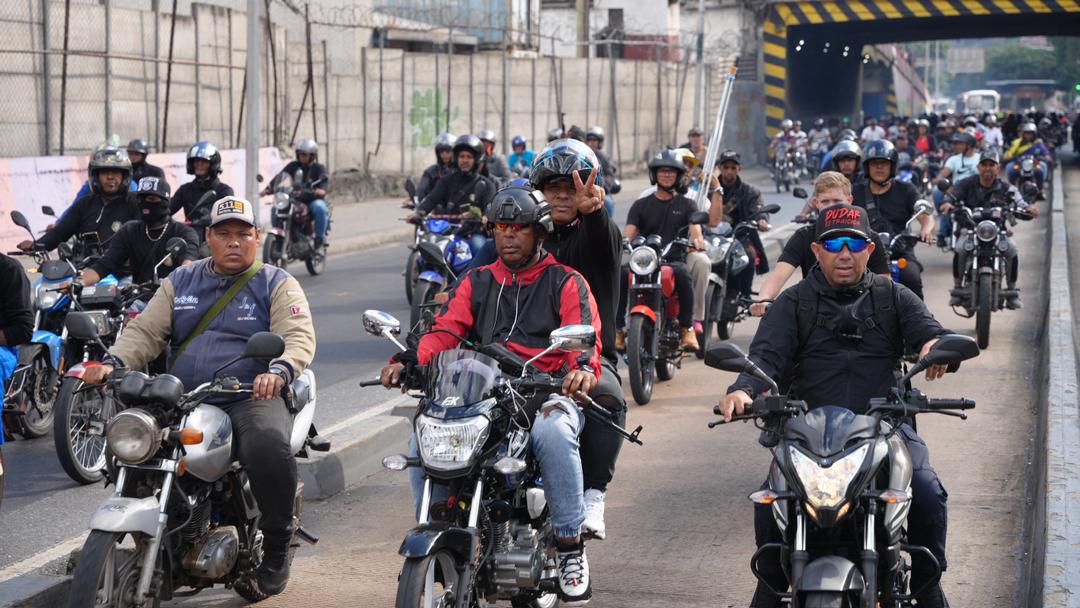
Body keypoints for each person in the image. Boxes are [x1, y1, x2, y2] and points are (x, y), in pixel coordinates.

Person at [718, 203, 954, 608]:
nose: (844, 253)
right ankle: (771, 583)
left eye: (854, 244)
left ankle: (928, 584)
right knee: (770, 499)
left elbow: (930, 332)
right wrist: (742, 391)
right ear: (816, 251)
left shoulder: (893, 297)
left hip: (885, 429)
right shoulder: (793, 303)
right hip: (807, 432)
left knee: (927, 491)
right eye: (833, 244)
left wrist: (935, 347)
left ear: (869, 249)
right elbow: (765, 358)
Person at [81, 196, 316, 597]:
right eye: (223, 234)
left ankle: (277, 545)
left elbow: (297, 337)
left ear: (257, 237)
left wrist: (278, 370)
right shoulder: (181, 280)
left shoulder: (277, 283)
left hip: (247, 394)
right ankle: (147, 534)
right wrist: (113, 362)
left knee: (265, 445)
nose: (233, 241)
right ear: (208, 237)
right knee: (133, 444)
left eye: (243, 233)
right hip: (183, 395)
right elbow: (145, 331)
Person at [381, 186, 602, 603]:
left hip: (543, 390)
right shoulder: (477, 281)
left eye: (519, 227)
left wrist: (581, 370)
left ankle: (570, 545)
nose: (509, 235)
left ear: (540, 233)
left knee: (554, 432)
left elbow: (585, 338)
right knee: (422, 437)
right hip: (485, 393)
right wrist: (407, 362)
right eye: (501, 227)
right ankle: (441, 525)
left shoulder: (565, 281)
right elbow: (444, 330)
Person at [529, 138, 626, 541]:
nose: (562, 196)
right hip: (524, 356)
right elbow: (481, 278)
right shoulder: (527, 236)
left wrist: (595, 213)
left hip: (586, 356)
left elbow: (604, 240)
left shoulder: (597, 235)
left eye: (571, 188)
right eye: (553, 188)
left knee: (607, 397)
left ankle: (593, 494)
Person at [751, 171, 889, 317]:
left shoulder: (869, 237)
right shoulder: (803, 236)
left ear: (849, 200)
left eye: (837, 201)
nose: (831, 207)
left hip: (862, 313)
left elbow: (884, 283)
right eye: (825, 202)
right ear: (816, 203)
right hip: (814, 313)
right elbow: (779, 275)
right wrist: (763, 300)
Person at [619, 149, 705, 352]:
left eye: (671, 171)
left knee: (683, 273)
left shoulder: (687, 204)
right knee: (622, 273)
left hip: (672, 259)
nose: (666, 175)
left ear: (679, 175)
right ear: (654, 174)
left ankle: (687, 327)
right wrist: (621, 242)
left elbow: (695, 229)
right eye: (662, 171)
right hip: (645, 260)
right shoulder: (641, 205)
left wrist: (698, 240)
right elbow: (628, 234)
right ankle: (617, 329)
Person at [944, 150, 1038, 310]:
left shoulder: (1007, 188)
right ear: (978, 167)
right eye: (984, 164)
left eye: (991, 165)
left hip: (998, 232)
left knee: (1012, 249)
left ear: (998, 168)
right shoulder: (966, 183)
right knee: (960, 248)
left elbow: (1020, 203)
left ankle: (1011, 292)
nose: (987, 168)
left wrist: (1028, 209)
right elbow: (952, 195)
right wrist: (948, 203)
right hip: (970, 230)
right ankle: (957, 288)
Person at [852, 140, 934, 300]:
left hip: (899, 250)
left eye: (884, 163)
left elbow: (925, 214)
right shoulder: (855, 192)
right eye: (874, 163)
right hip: (863, 252)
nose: (879, 167)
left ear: (892, 166)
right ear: (867, 167)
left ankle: (917, 315)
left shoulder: (906, 189)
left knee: (911, 277)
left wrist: (926, 229)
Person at [81, 177, 200, 286]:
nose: (145, 204)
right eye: (140, 199)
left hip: (173, 296)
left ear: (165, 201)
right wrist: (78, 283)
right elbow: (105, 265)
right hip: (138, 297)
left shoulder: (184, 233)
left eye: (151, 199)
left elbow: (188, 266)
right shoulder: (129, 230)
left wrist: (176, 285)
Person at [19, 147, 139, 255]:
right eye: (104, 172)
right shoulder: (85, 204)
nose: (110, 177)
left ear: (125, 176)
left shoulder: (135, 203)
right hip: (85, 266)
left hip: (123, 268)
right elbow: (60, 233)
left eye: (116, 172)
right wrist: (36, 245)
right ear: (95, 176)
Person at [412, 134, 498, 257]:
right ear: (456, 158)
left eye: (469, 157)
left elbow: (490, 207)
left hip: (472, 233)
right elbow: (431, 199)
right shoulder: (446, 181)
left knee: (480, 248)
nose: (465, 160)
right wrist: (418, 212)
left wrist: (485, 217)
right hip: (446, 231)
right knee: (425, 250)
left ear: (476, 159)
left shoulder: (487, 185)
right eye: (462, 156)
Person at [709, 150, 771, 303]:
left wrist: (761, 220)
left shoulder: (749, 191)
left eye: (733, 167)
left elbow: (758, 209)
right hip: (711, 237)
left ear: (739, 169)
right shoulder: (709, 189)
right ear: (719, 168)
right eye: (726, 167)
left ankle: (744, 294)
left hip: (740, 236)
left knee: (748, 256)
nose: (729, 171)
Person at [261, 138, 331, 249]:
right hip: (295, 199)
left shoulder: (319, 168)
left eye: (305, 154)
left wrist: (321, 190)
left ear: (312, 156)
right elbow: (281, 175)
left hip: (311, 199)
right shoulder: (293, 166)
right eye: (300, 154)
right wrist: (269, 189)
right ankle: (279, 237)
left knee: (320, 207)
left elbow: (324, 181)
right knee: (276, 209)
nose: (302, 156)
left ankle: (319, 239)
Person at [170, 141, 235, 242]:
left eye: (204, 162)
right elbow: (168, 209)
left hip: (215, 239)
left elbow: (227, 216)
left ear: (213, 164)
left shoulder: (224, 190)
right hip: (191, 239)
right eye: (196, 161)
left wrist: (207, 219)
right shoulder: (185, 189)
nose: (199, 165)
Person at [1004, 122, 1052, 192]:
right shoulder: (1017, 142)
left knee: (1041, 170)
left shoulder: (1038, 143)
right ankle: (1011, 190)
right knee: (1010, 169)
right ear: (1023, 134)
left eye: (1031, 133)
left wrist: (1046, 157)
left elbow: (1045, 152)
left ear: (1034, 134)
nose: (1029, 135)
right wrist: (1009, 156)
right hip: (1019, 163)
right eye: (1027, 133)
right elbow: (1009, 153)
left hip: (1034, 164)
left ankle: (1040, 190)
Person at [415, 132, 456, 201]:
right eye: (441, 151)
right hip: (435, 205)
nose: (444, 154)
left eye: (448, 151)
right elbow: (421, 190)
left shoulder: (460, 171)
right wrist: (415, 200)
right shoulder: (431, 171)